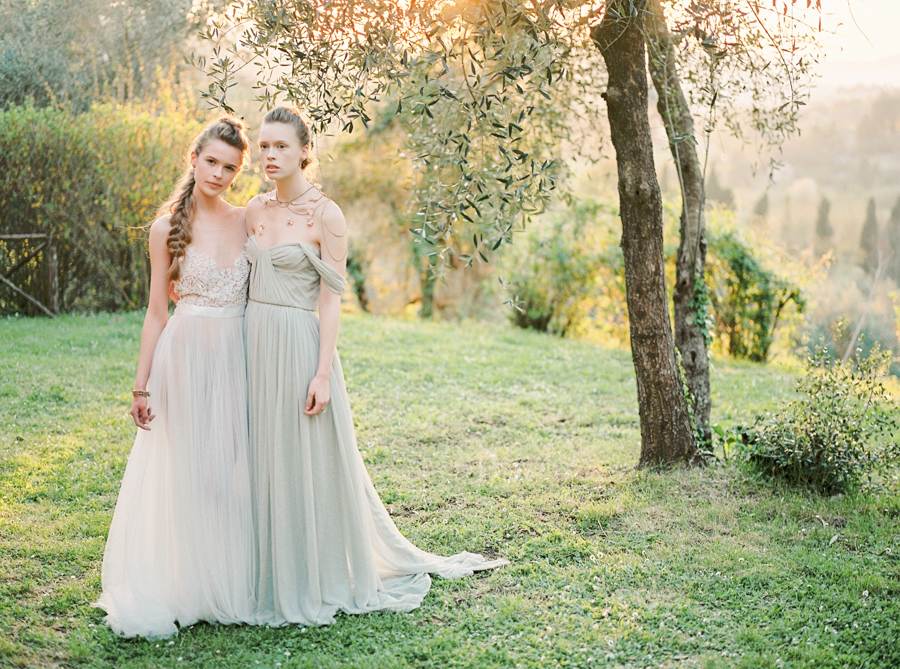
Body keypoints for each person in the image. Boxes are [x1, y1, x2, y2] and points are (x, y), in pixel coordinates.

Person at [244, 105, 507, 627]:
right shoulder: (252, 210)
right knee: (262, 458)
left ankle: (313, 571)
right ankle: (264, 568)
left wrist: (321, 373)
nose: (269, 155)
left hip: (300, 345)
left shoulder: (327, 215)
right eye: (263, 146)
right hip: (253, 343)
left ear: (304, 152)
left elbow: (331, 300)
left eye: (280, 147)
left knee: (305, 460)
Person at [95, 117, 256, 639]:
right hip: (183, 358)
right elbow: (155, 313)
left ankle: (232, 578)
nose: (219, 173)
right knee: (190, 470)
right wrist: (140, 386)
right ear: (194, 158)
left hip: (237, 356)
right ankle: (186, 582)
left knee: (232, 468)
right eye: (211, 161)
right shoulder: (166, 227)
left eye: (230, 167)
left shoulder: (246, 219)